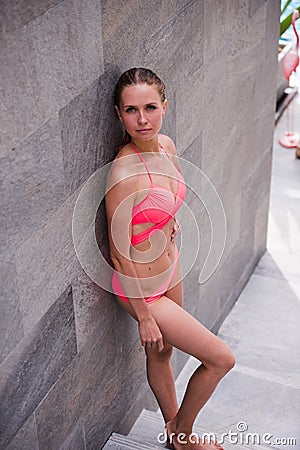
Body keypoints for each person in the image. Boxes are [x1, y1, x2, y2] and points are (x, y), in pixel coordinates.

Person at [105, 67, 235, 450]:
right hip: (141, 287)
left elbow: (167, 191)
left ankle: (175, 433)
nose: (141, 119)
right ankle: (182, 433)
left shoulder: (167, 146)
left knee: (164, 352)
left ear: (164, 105)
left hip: (170, 265)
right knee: (220, 359)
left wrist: (167, 219)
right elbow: (117, 251)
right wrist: (144, 315)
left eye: (149, 107)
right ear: (119, 114)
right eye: (131, 111)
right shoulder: (123, 172)